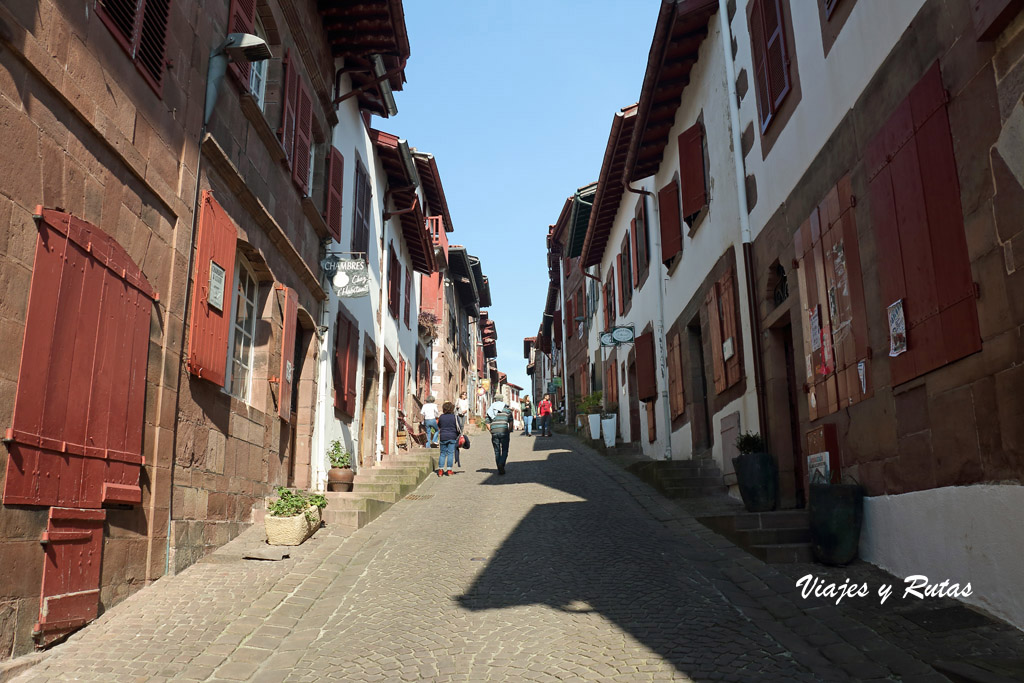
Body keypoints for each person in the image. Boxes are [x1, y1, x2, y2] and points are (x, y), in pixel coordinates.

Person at [484, 397, 514, 475]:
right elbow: (511, 422)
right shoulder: (507, 410)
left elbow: (487, 422)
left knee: (497, 451)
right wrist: (509, 431)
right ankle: (501, 464)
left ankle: (499, 467)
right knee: (504, 450)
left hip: (494, 432)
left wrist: (491, 430)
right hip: (504, 431)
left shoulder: (491, 410)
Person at [436, 401, 459, 477]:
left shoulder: (441, 417)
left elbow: (439, 425)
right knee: (450, 453)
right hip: (452, 436)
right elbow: (457, 426)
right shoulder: (454, 417)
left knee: (442, 454)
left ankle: (440, 470)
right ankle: (449, 470)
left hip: (443, 436)